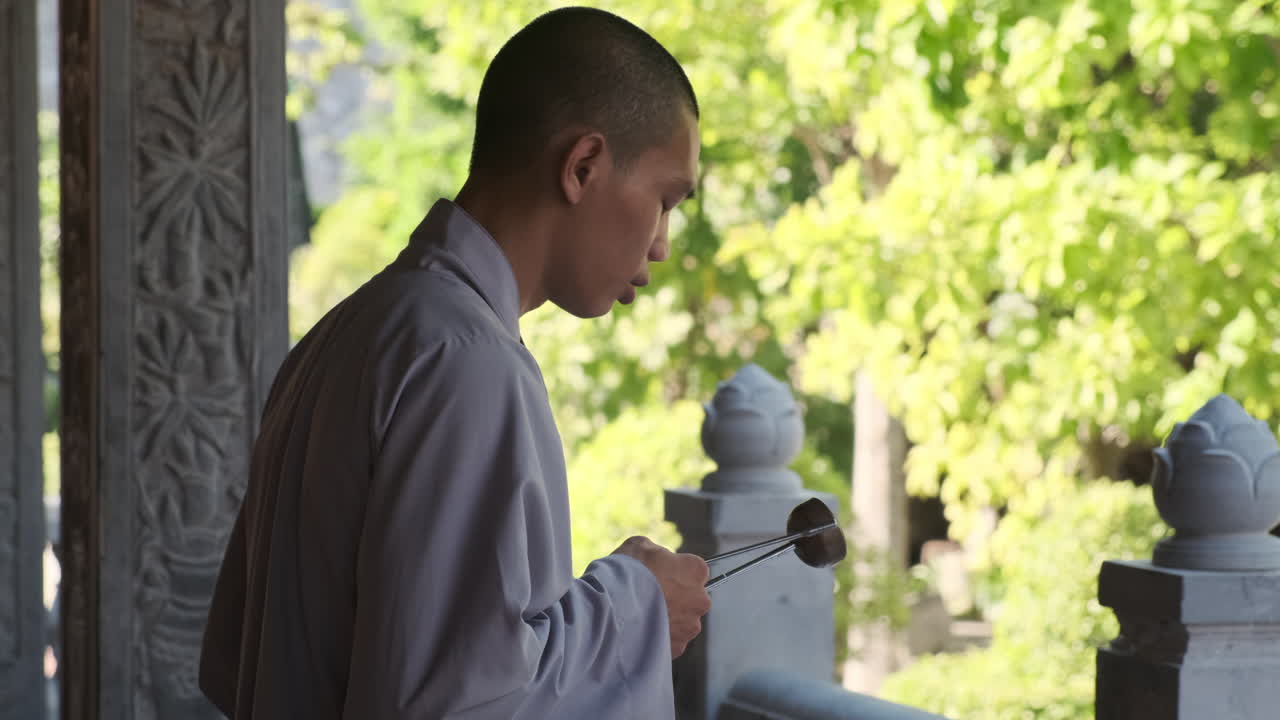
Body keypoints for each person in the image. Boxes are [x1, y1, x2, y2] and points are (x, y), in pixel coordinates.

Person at [198, 6, 710, 719]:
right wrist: (636, 605)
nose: (661, 244)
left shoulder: (351, 331)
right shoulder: (465, 364)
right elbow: (455, 704)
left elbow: (232, 662)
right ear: (583, 166)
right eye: (664, 200)